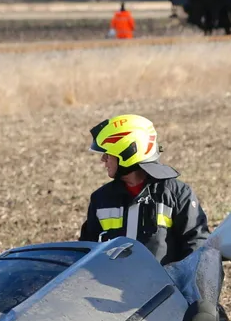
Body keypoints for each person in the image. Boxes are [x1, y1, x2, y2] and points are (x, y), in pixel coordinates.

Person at [80, 113, 209, 265]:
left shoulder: (178, 194)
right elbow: (86, 253)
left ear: (127, 153)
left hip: (164, 287)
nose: (103, 160)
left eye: (108, 154)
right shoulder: (101, 199)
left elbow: (197, 248)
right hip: (111, 287)